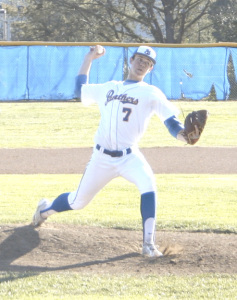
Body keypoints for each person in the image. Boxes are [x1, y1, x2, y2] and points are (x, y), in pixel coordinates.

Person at [32, 45, 188, 257]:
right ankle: (44, 210)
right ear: (130, 60)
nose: (143, 64)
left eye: (148, 63)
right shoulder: (109, 87)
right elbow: (80, 90)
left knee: (149, 185)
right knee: (78, 202)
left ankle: (149, 244)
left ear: (150, 69)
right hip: (101, 158)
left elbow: (171, 123)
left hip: (129, 156)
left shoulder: (151, 93)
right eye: (140, 59)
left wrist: (184, 136)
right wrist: (89, 58)